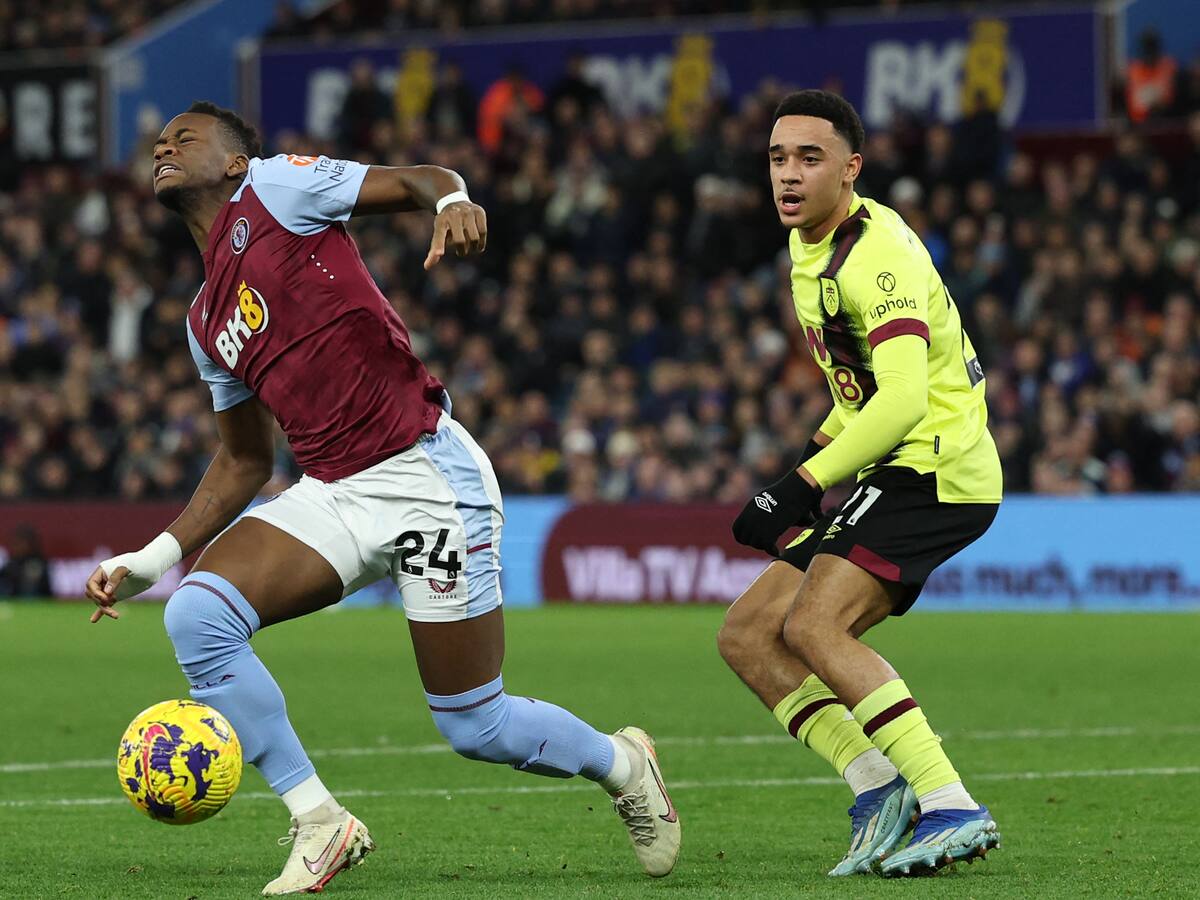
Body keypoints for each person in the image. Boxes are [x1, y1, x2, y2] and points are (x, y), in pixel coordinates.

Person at [84, 101, 679, 895]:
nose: (164, 145)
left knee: (477, 725)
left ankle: (624, 763)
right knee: (197, 614)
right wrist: (153, 557)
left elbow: (416, 180)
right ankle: (320, 822)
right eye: (158, 141)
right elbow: (242, 459)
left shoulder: (276, 188)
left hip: (425, 480)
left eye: (184, 137)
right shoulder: (204, 318)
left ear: (233, 161)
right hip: (331, 491)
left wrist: (452, 199)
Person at [717, 90, 1002, 877]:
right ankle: (879, 788)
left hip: (939, 468)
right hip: (894, 460)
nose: (789, 174)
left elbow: (906, 397)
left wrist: (804, 483)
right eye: (778, 158)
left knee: (813, 626)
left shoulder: (875, 257)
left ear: (851, 169)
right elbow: (862, 394)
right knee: (747, 634)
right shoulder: (811, 245)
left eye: (810, 158)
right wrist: (797, 472)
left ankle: (949, 803)